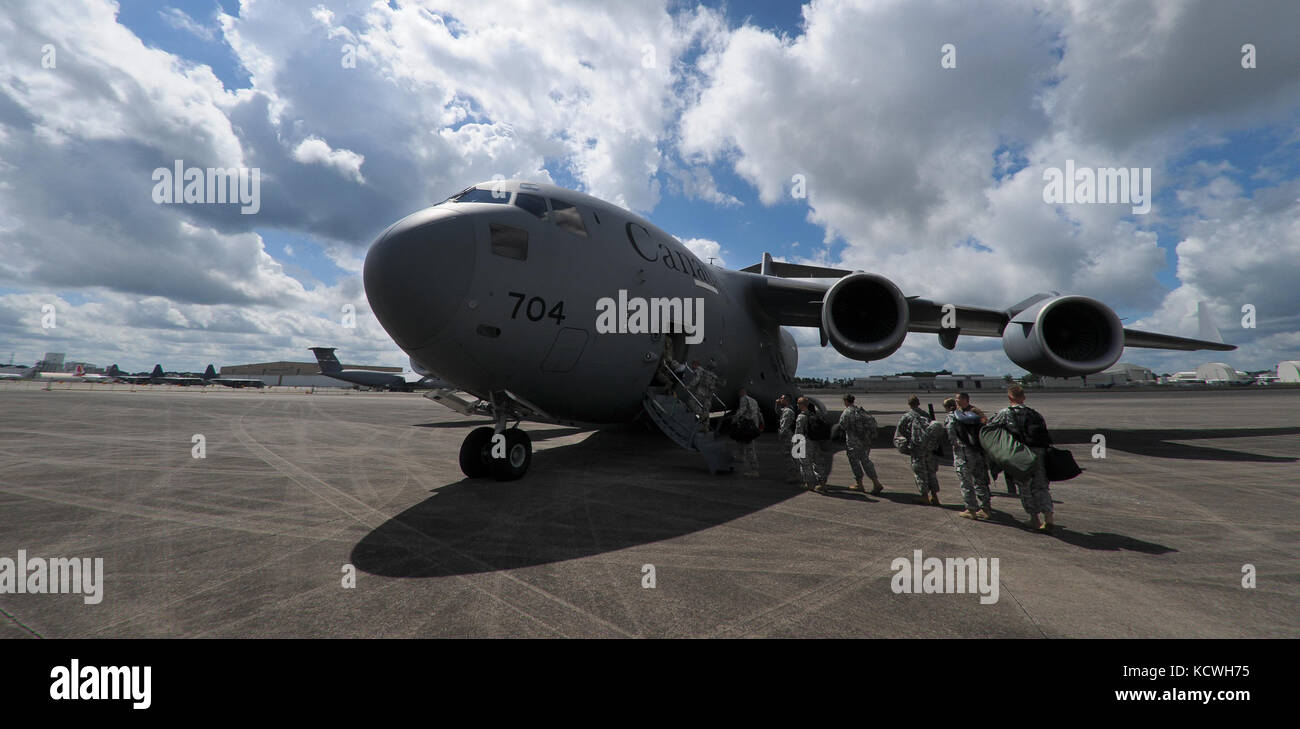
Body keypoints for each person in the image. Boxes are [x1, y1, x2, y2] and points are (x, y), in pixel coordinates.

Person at [988, 385, 1055, 533]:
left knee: (1025, 487)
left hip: (1021, 454)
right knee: (1041, 486)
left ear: (1010, 398)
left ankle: (1034, 519)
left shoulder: (1006, 413)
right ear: (1023, 398)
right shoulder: (1035, 414)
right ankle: (1049, 518)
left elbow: (990, 427)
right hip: (1039, 454)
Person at [944, 398, 991, 519]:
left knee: (966, 482)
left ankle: (971, 509)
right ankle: (985, 508)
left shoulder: (952, 416)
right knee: (980, 481)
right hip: (977, 451)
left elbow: (950, 431)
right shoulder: (972, 414)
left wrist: (954, 444)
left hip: (963, 452)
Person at [833, 393, 883, 494]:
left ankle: (860, 484)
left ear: (846, 401)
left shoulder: (846, 412)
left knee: (855, 463)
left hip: (853, 443)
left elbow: (842, 426)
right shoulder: (860, 410)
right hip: (865, 441)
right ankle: (876, 482)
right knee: (866, 461)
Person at [897, 395, 941, 505]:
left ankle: (924, 496)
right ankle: (935, 497)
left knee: (920, 472)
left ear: (909, 404)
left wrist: (908, 442)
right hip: (929, 448)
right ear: (919, 403)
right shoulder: (926, 415)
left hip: (917, 449)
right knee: (931, 471)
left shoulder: (907, 416)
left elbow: (900, 431)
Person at [731, 386, 764, 477]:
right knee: (741, 440)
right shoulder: (754, 401)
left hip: (747, 425)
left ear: (742, 392)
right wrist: (761, 425)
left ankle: (754, 470)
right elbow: (759, 413)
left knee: (750, 447)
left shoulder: (743, 399)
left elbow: (742, 410)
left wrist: (734, 419)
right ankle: (741, 456)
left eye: (739, 393)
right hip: (753, 425)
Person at [794, 397, 824, 493]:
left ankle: (809, 484)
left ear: (803, 405)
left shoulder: (801, 417)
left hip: (805, 443)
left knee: (805, 464)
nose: (797, 405)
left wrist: (795, 446)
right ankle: (822, 483)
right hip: (815, 442)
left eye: (798, 404)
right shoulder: (814, 415)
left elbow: (798, 433)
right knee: (817, 463)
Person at [776, 395, 799, 484]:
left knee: (789, 455)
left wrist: (781, 434)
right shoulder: (786, 409)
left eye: (782, 398)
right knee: (791, 456)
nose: (780, 399)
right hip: (788, 435)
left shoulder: (788, 411)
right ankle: (794, 474)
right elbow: (778, 412)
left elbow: (785, 426)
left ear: (787, 400)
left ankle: (793, 475)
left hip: (787, 436)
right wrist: (777, 404)